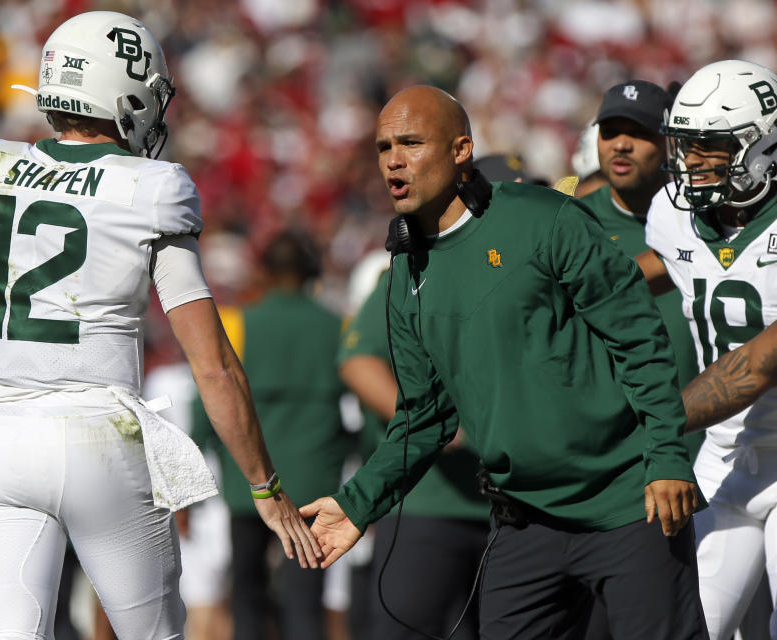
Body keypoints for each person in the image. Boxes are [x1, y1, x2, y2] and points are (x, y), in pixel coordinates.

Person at [0, 11, 319, 640]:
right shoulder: (151, 188)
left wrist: (21, 325)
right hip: (96, 434)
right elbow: (212, 363)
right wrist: (265, 487)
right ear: (122, 93)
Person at [299, 84, 708, 640]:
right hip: (523, 521)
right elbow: (425, 417)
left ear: (461, 149)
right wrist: (356, 504)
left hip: (629, 505)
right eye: (383, 146)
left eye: (412, 143)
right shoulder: (403, 276)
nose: (393, 159)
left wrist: (666, 455)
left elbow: (639, 338)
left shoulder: (547, 219)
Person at [636, 59, 777, 640]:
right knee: (688, 629)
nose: (691, 161)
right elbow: (669, 267)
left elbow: (759, 361)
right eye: (685, 145)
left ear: (762, 145)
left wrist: (650, 423)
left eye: (709, 146)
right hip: (723, 461)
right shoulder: (674, 213)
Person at [191, 229, 346, 640]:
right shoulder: (338, 327)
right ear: (311, 271)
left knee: (247, 596)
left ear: (264, 271)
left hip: (250, 486)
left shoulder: (236, 323)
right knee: (306, 599)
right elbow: (365, 412)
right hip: (316, 485)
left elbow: (206, 406)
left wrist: (188, 487)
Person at [337, 263, 490, 640]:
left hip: (514, 506)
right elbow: (358, 361)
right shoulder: (416, 273)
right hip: (428, 504)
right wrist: (430, 425)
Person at [580, 79, 702, 454]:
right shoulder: (566, 222)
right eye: (611, 131)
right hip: (603, 453)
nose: (621, 144)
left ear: (671, 142)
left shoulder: (707, 218)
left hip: (706, 447)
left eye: (639, 132)